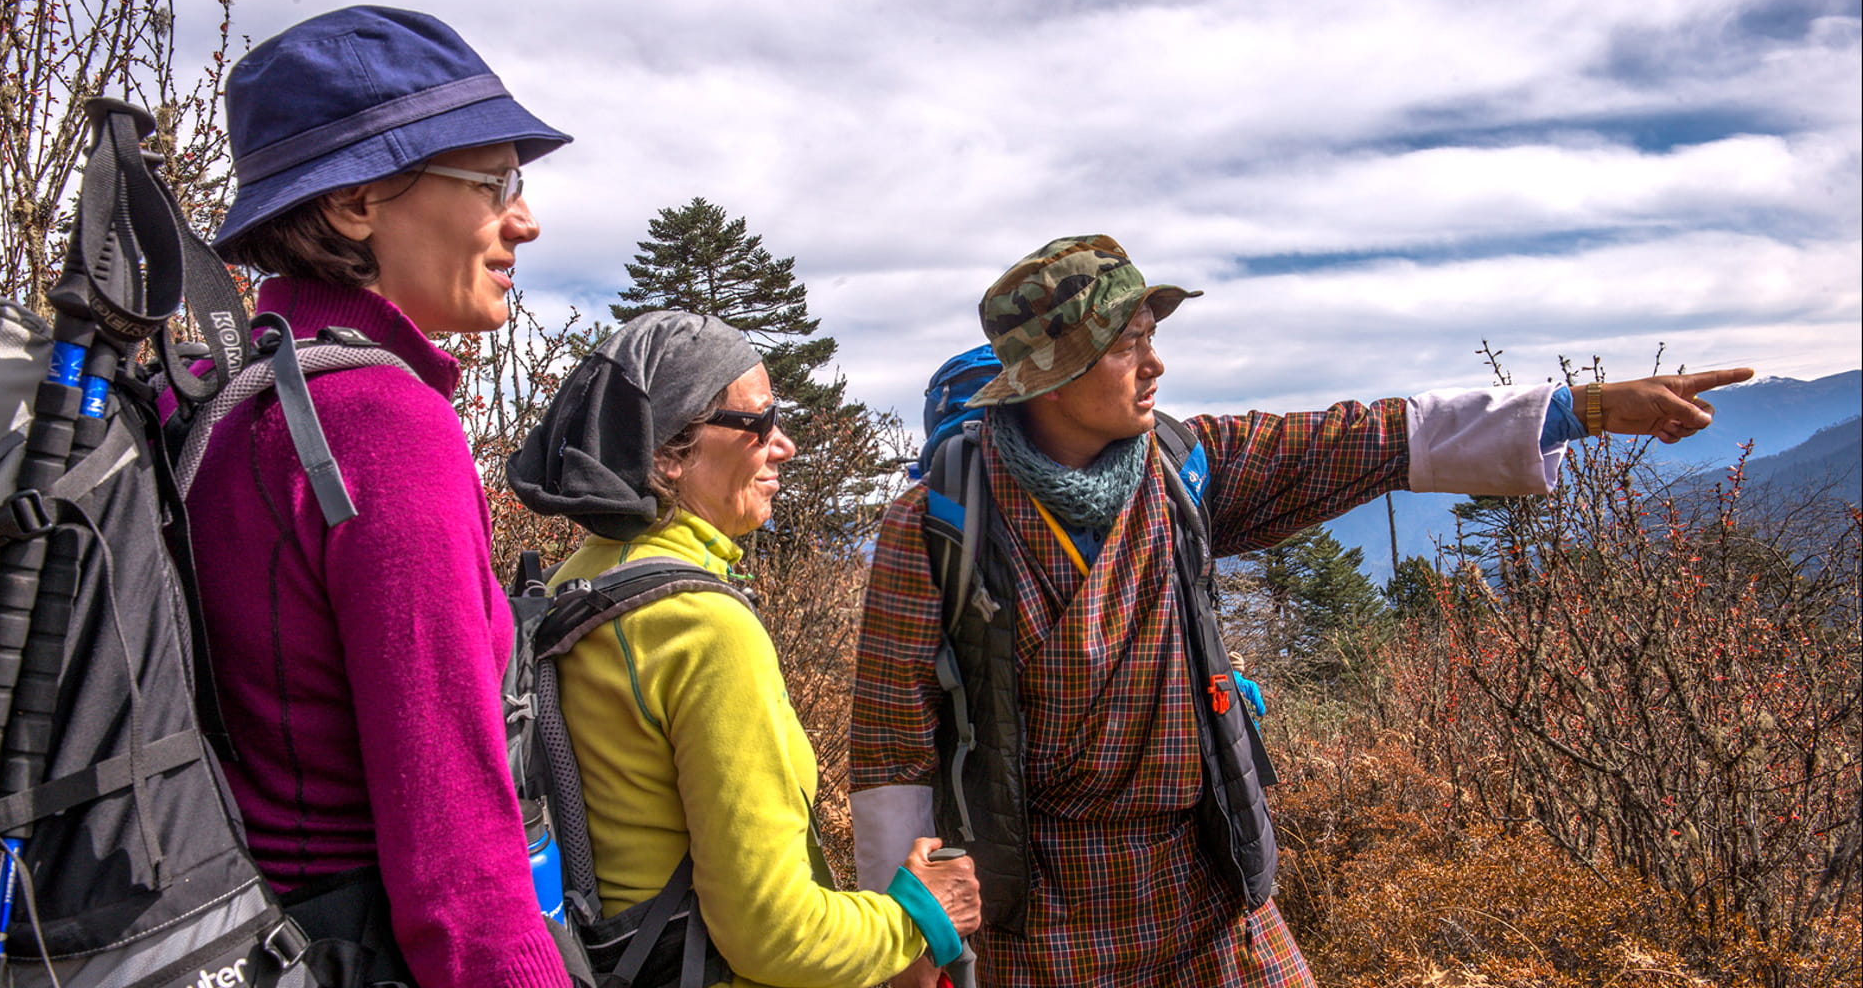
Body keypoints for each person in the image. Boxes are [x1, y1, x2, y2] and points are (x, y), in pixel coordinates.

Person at [850, 234, 1751, 987]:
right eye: (1125, 343)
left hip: (1207, 876)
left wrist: (1585, 407)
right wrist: (909, 941)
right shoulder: (936, 524)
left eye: (1150, 333)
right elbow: (894, 739)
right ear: (1052, 372)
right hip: (1038, 906)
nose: (1155, 361)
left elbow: (1367, 436)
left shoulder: (1183, 465)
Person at [184, 6, 574, 986]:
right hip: (365, 951)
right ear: (359, 204)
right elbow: (453, 835)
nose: (523, 219)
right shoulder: (379, 424)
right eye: (494, 184)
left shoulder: (243, 399)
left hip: (265, 936)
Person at [506, 310, 982, 988]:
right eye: (759, 422)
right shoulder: (703, 629)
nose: (782, 445)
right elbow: (777, 936)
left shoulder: (570, 586)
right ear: (671, 452)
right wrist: (918, 919)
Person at [1230, 651, 1267, 726]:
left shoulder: (1220, 685)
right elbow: (1260, 711)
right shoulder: (1250, 686)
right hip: (1248, 730)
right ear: (1241, 669)